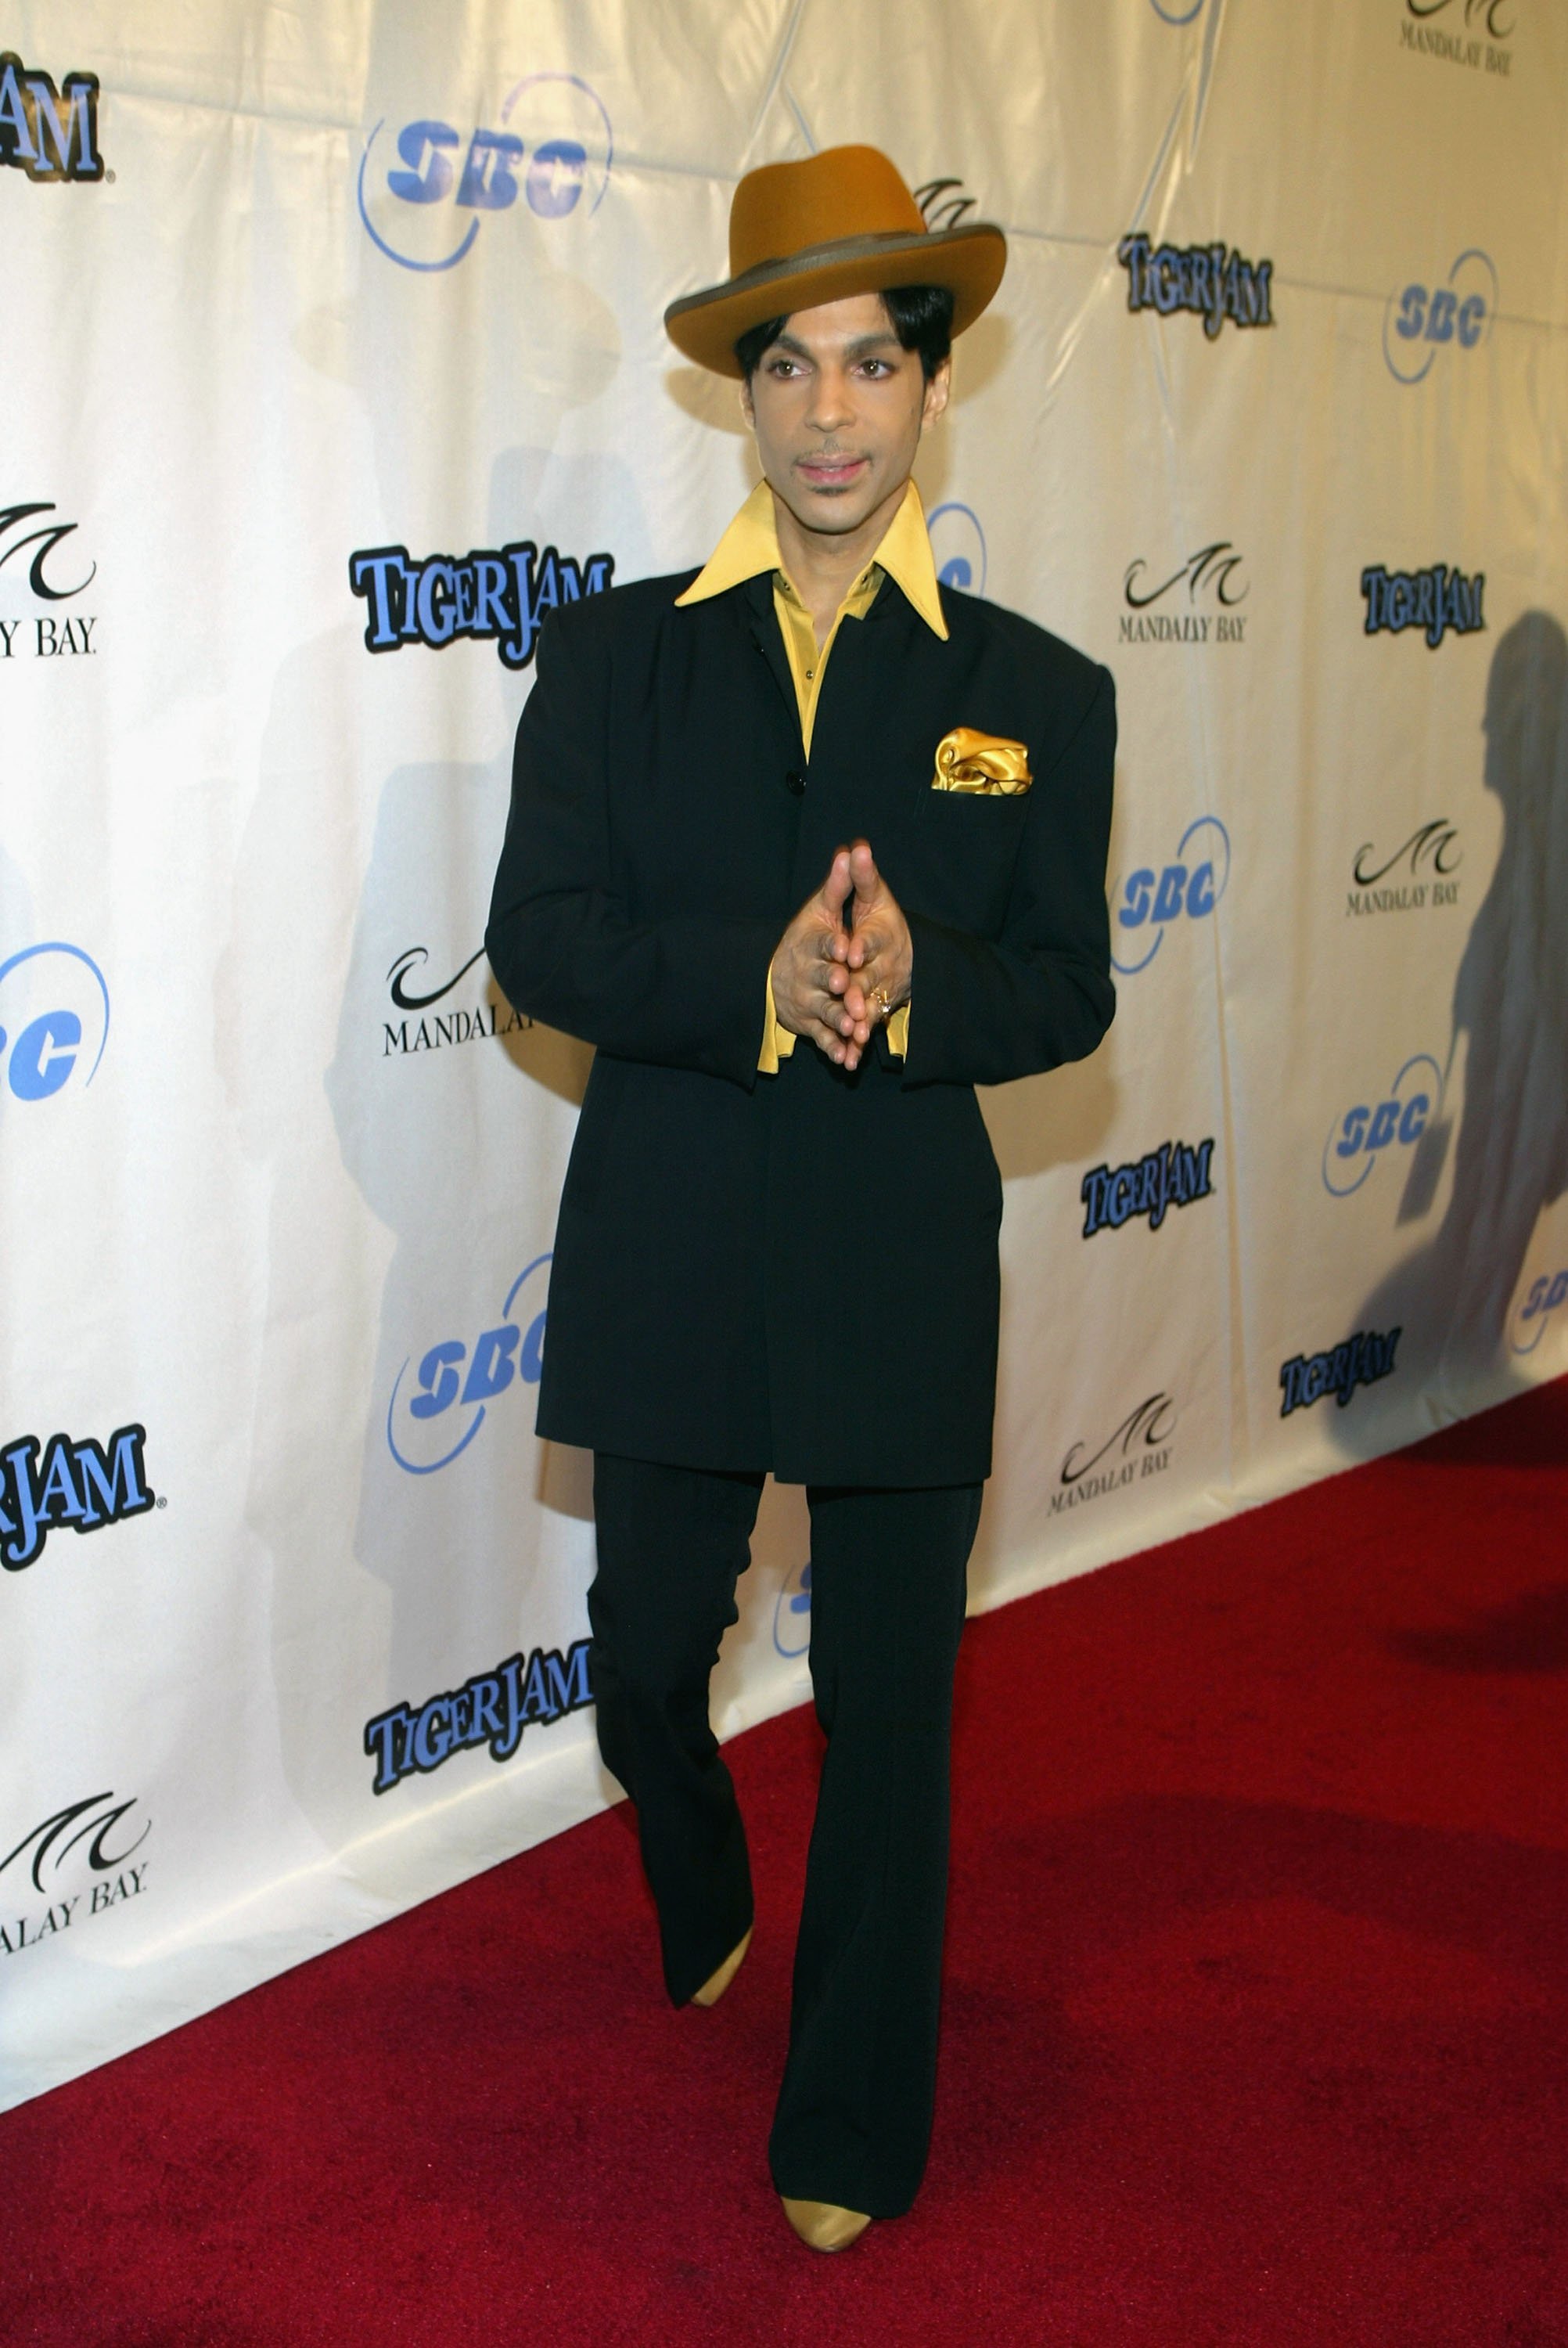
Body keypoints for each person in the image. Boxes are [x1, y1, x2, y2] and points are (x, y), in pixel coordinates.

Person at [486, 143, 1117, 2251]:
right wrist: (745, 979)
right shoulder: (608, 662)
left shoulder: (1041, 695)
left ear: (935, 386)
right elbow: (544, 948)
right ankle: (685, 1837)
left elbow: (1064, 988)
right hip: (668, 1235)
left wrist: (926, 988)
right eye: (788, 365)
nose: (829, 411)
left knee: (895, 1713)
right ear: (739, 396)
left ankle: (848, 2116)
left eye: (870, 362)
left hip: (898, 1267)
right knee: (649, 1645)